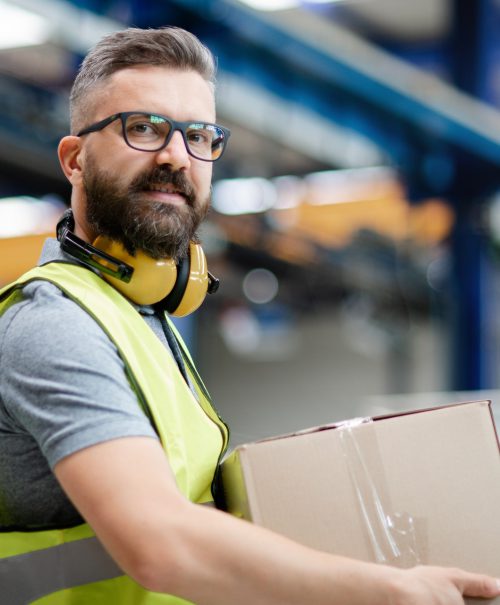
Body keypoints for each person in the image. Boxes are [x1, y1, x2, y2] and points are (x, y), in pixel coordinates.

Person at [0, 26, 498, 605]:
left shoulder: (144, 320)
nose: (175, 157)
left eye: (200, 137)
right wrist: (385, 589)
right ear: (75, 158)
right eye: (143, 128)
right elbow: (160, 543)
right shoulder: (53, 323)